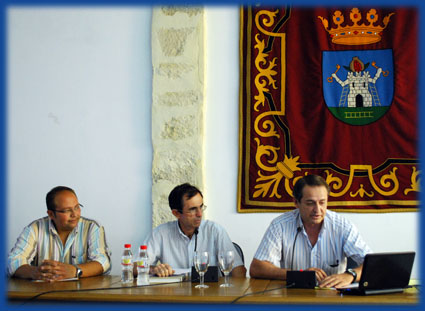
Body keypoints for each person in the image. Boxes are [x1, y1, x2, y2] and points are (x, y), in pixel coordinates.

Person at [250, 175, 371, 288]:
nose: (317, 210)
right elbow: (257, 268)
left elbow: (372, 263)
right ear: (296, 202)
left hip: (334, 298)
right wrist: (299, 275)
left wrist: (350, 275)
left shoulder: (343, 226)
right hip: (293, 297)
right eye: (310, 203)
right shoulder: (280, 226)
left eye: (322, 202)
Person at [7, 186, 111, 281]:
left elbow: (103, 262)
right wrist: (34, 272)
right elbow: (12, 262)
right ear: (51, 214)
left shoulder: (92, 227)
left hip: (82, 295)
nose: (74, 214)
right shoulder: (35, 229)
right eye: (67, 210)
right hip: (44, 294)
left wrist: (75, 271)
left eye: (77, 207)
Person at [144, 183, 246, 277]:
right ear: (176, 213)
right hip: (174, 294)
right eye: (192, 209)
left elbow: (238, 270)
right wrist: (153, 269)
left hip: (211, 293)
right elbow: (133, 266)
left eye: (201, 207)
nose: (200, 214)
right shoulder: (161, 233)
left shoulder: (214, 230)